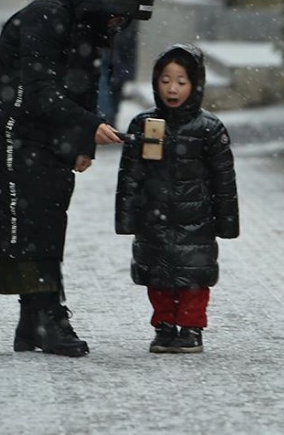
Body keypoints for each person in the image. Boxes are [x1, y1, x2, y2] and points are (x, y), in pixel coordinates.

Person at [0, 0, 155, 357]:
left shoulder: (88, 20)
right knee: (30, 226)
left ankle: (36, 321)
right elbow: (39, 88)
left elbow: (84, 81)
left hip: (46, 136)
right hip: (13, 133)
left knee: (48, 221)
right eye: (120, 17)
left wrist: (81, 143)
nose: (118, 26)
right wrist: (86, 125)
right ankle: (47, 318)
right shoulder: (47, 15)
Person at [115, 43, 240, 354]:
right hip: (153, 218)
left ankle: (191, 327)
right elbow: (129, 177)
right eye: (165, 80)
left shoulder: (209, 129)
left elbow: (224, 180)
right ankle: (165, 325)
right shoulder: (144, 125)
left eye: (181, 82)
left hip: (196, 219)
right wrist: (126, 217)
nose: (172, 89)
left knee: (193, 279)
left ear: (195, 85)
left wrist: (226, 221)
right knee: (157, 277)